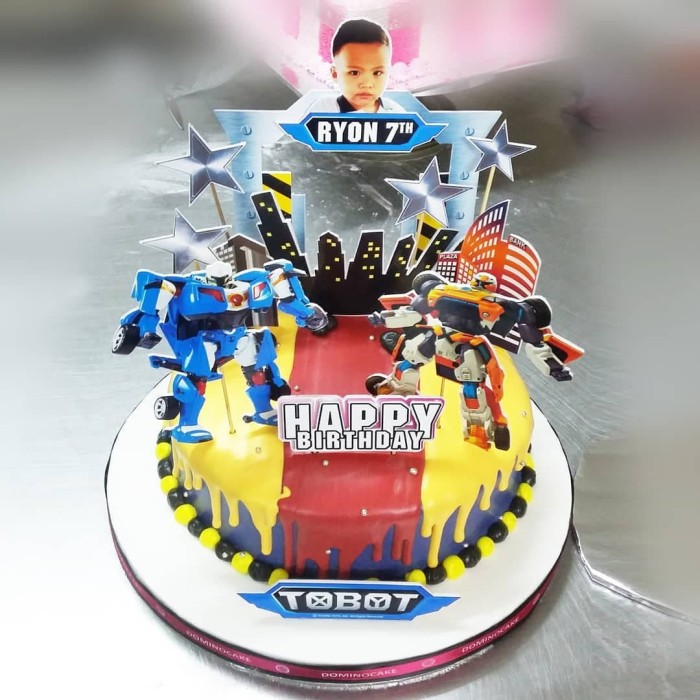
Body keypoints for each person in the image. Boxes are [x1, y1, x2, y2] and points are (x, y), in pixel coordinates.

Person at [310, 18, 404, 113]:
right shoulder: (323, 109)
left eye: (377, 73)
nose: (367, 84)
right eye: (354, 73)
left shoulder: (395, 112)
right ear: (335, 74)